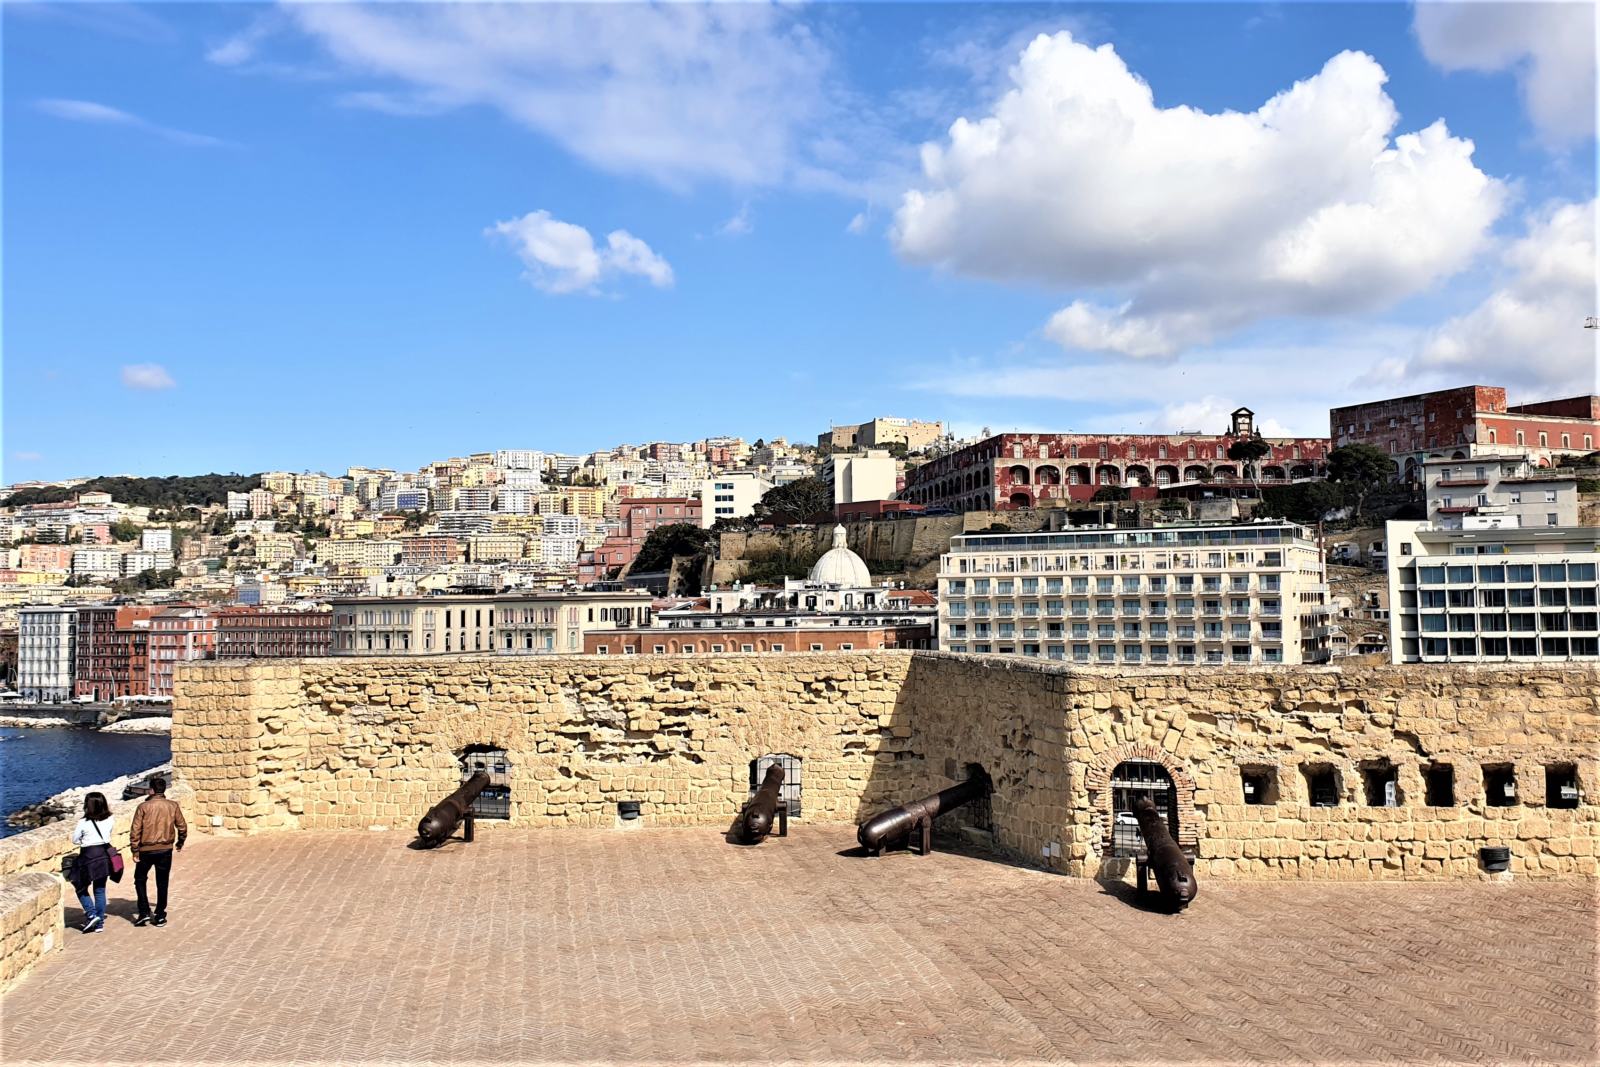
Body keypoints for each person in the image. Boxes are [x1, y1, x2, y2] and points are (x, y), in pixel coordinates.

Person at [129, 776, 186, 928]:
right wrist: (180, 842)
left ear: (151, 790)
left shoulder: (143, 807)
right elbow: (182, 826)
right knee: (162, 882)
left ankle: (144, 912)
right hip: (165, 849)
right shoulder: (173, 806)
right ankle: (160, 914)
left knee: (140, 879)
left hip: (146, 850)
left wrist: (135, 850)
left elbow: (135, 830)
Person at [69, 792, 115, 933]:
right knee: (100, 890)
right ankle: (99, 924)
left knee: (80, 886)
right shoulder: (111, 819)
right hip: (104, 856)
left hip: (88, 857)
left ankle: (91, 913)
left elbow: (75, 840)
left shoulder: (83, 822)